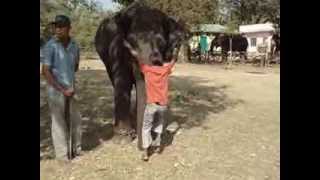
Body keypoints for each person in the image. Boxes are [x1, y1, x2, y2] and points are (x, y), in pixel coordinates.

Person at [42, 15, 82, 161]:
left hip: (71, 87)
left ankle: (76, 150)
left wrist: (70, 85)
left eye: (61, 26)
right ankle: (62, 155)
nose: (57, 29)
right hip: (55, 89)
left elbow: (76, 66)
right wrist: (61, 88)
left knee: (76, 119)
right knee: (58, 122)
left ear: (68, 28)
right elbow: (45, 71)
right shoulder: (50, 46)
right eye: (56, 26)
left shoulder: (75, 45)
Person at [139, 58, 177, 161]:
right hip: (163, 105)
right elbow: (172, 62)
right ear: (161, 63)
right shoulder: (165, 70)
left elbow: (139, 60)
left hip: (151, 103)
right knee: (160, 122)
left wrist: (131, 48)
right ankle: (158, 142)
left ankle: (145, 152)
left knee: (146, 127)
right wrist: (174, 54)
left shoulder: (147, 69)